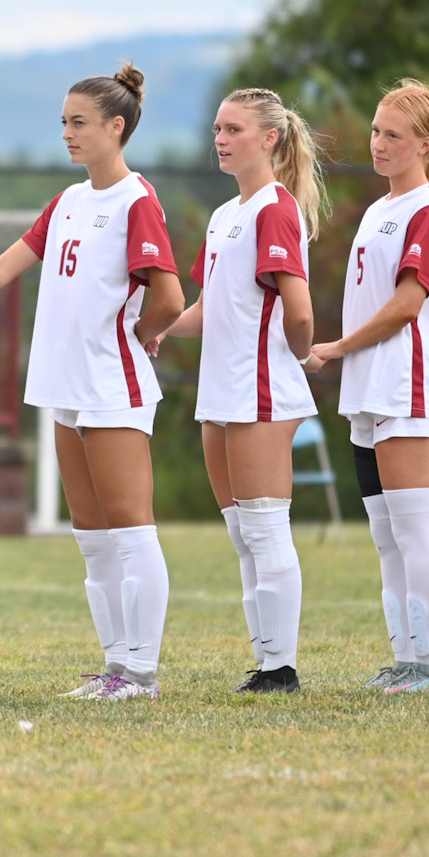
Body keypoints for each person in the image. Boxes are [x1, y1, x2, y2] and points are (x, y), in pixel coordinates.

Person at [0, 64, 184, 701]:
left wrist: (140, 334)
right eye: (63, 123)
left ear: (116, 127)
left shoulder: (137, 200)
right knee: (92, 534)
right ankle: (114, 667)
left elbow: (169, 296)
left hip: (112, 384)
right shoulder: (69, 202)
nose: (68, 134)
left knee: (130, 528)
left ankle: (142, 673)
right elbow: (4, 265)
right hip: (66, 387)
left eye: (79, 123)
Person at [159, 88, 326, 694]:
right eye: (217, 130)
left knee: (263, 526)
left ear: (270, 138)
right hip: (221, 390)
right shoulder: (225, 215)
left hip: (261, 389)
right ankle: (264, 660)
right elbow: (205, 308)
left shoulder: (274, 209)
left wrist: (299, 353)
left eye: (234, 130)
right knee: (240, 532)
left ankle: (280, 668)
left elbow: (298, 310)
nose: (221, 140)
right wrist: (141, 323)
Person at [305, 78, 429, 695]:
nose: (378, 144)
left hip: (405, 384)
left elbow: (407, 304)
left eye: (393, 135)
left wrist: (338, 348)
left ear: (425, 143)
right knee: (385, 533)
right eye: (375, 131)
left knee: (414, 528)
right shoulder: (376, 210)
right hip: (368, 387)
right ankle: (404, 658)